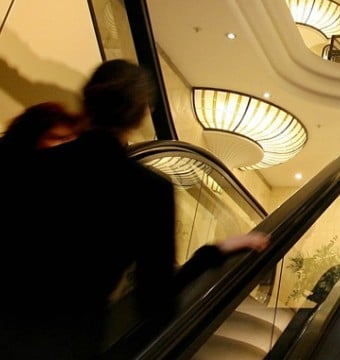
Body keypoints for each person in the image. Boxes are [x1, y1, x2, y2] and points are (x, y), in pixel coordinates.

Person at [0, 60, 268, 359]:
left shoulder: (22, 164)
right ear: (143, 114)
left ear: (86, 100)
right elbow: (156, 301)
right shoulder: (149, 190)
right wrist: (214, 252)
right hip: (70, 343)